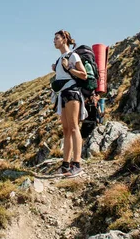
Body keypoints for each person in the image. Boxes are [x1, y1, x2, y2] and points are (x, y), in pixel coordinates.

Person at [50, 30, 88, 177]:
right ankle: (65, 165)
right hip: (62, 95)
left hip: (72, 93)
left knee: (73, 128)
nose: (54, 41)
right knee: (66, 129)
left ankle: (77, 164)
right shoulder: (60, 59)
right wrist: (57, 68)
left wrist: (69, 67)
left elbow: (83, 75)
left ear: (64, 39)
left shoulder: (73, 55)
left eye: (56, 38)